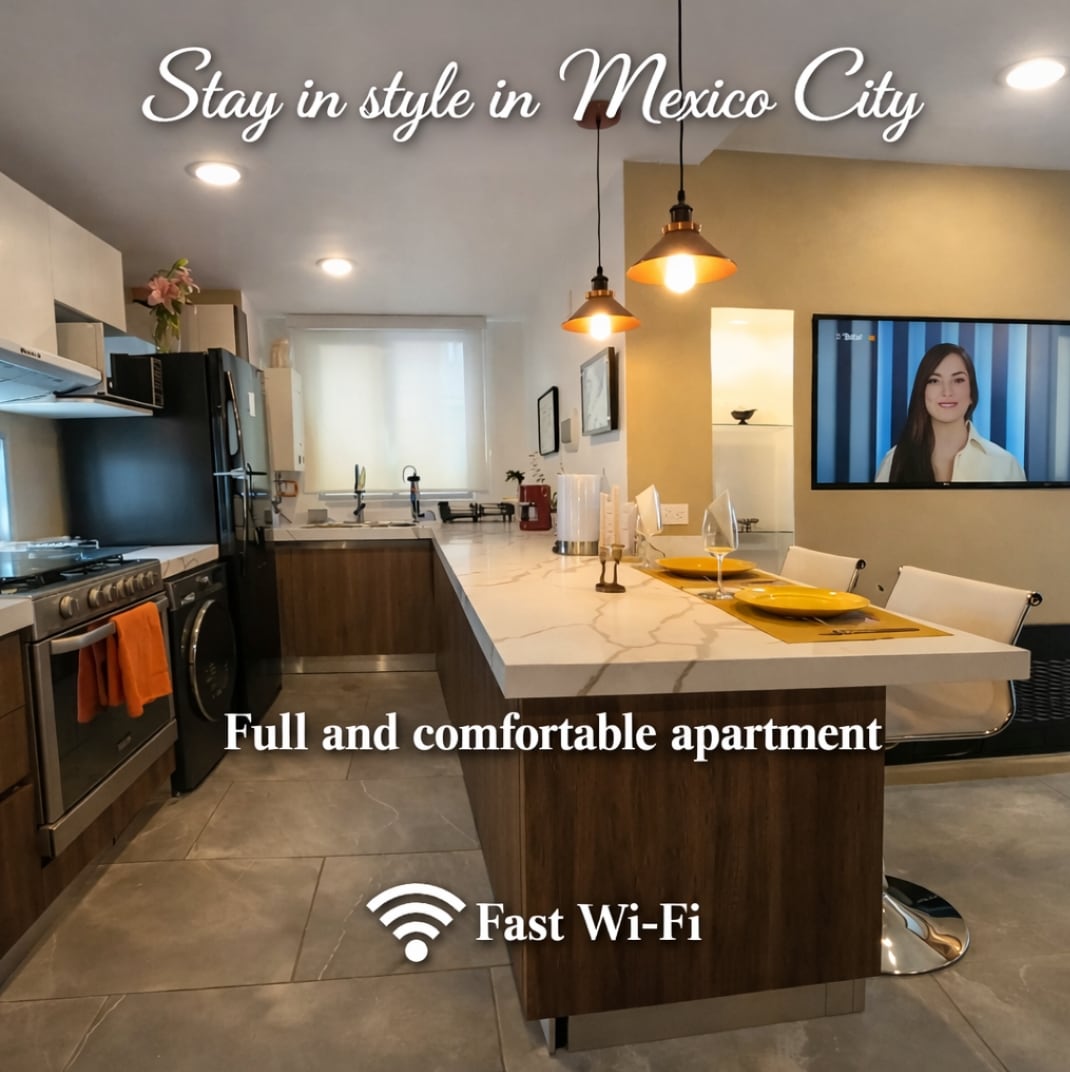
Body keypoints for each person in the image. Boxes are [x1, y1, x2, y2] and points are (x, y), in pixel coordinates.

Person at [875, 342, 1027, 484]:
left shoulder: (1005, 465)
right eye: (934, 381)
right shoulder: (894, 461)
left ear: (972, 393)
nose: (947, 392)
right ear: (921, 392)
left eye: (958, 380)